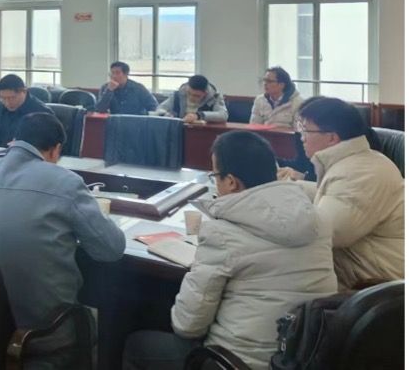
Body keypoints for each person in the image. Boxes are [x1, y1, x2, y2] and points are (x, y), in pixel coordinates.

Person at [122, 131, 337, 370]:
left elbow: (188, 326)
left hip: (236, 362)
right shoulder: (318, 218)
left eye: (215, 175)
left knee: (136, 344)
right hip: (302, 358)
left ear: (231, 182)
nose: (215, 182)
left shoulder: (222, 233)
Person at [0, 113, 125, 368]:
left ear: (15, 140)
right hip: (47, 331)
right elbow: (111, 249)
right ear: (56, 150)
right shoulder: (66, 182)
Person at [287, 97, 404, 289]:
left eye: (306, 130)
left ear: (332, 138)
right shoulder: (356, 163)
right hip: (361, 270)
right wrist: (287, 188)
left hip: (376, 282)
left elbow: (324, 233)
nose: (302, 138)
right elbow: (330, 195)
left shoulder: (359, 173)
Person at [156, 74, 227, 123]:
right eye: (189, 93)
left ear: (205, 93)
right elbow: (160, 108)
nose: (191, 98)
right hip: (179, 130)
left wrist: (199, 116)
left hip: (203, 132)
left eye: (196, 96)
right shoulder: (179, 93)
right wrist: (166, 115)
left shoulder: (215, 97)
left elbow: (223, 115)